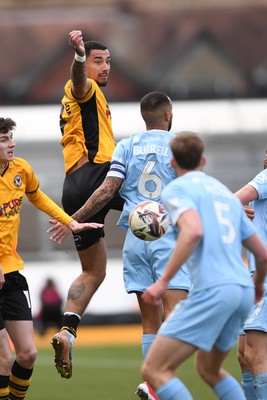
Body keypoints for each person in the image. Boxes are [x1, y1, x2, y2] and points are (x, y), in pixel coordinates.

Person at [48, 91, 191, 397]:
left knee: (150, 321)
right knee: (176, 314)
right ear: (168, 115)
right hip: (167, 236)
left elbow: (106, 190)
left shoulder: (127, 145)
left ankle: (152, 385)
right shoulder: (180, 143)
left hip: (137, 238)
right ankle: (156, 384)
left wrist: (71, 219)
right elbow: (195, 191)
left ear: (144, 117)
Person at [140, 131, 267, 400]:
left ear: (172, 163)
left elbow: (193, 231)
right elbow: (262, 254)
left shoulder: (177, 189)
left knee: (155, 369)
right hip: (242, 291)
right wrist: (256, 287)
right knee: (210, 369)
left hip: (213, 290)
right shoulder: (223, 194)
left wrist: (162, 282)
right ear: (204, 161)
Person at [0, 117, 102, 400]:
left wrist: (71, 222)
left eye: (11, 137)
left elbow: (38, 197)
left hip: (11, 273)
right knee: (4, 360)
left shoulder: (21, 170)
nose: (12, 143)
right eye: (4, 139)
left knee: (28, 354)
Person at [50, 29, 124, 379]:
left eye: (107, 61)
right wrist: (80, 57)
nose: (105, 67)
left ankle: (67, 331)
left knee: (94, 271)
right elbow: (79, 81)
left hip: (73, 186)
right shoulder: (85, 87)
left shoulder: (86, 100)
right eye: (99, 61)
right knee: (163, 206)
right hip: (99, 176)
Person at [235, 152, 267, 399]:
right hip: (254, 275)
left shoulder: (265, 178)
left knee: (256, 354)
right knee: (244, 354)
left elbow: (235, 199)